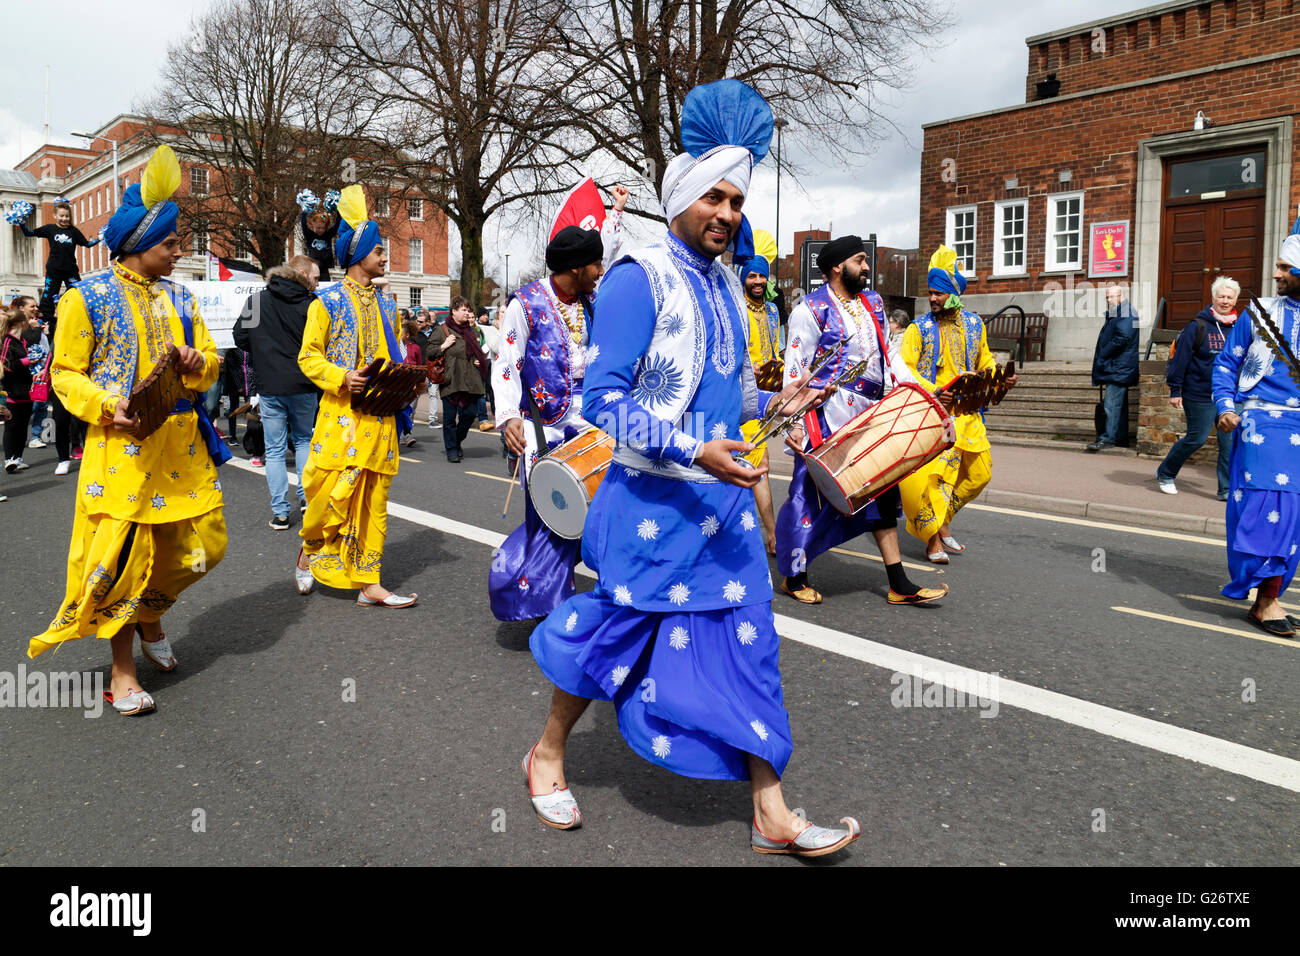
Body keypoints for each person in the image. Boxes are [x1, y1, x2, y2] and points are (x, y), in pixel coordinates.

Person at [524, 79, 861, 856]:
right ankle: (546, 754)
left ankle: (771, 812)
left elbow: (731, 389)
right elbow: (598, 400)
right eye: (714, 197)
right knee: (612, 638)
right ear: (680, 195)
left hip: (725, 509)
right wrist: (689, 446)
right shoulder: (639, 278)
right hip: (651, 506)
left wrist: (782, 392)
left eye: (737, 201)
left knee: (751, 646)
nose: (727, 215)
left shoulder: (721, 287)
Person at [27, 145, 228, 715]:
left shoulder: (183, 297)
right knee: (121, 561)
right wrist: (106, 404)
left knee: (205, 545)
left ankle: (150, 614)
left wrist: (197, 364)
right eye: (170, 242)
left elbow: (212, 363)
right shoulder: (83, 297)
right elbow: (64, 373)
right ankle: (121, 672)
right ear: (139, 244)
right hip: (121, 450)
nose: (178, 250)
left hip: (182, 450)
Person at [777, 236, 947, 604]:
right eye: (859, 260)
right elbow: (795, 373)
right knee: (809, 495)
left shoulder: (873, 303)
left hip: (872, 413)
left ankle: (899, 583)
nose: (867, 267)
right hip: (826, 413)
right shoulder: (810, 309)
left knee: (883, 489)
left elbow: (890, 358)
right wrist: (793, 423)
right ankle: (795, 575)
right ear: (838, 266)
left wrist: (919, 391)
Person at [294, 184, 418, 607]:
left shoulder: (388, 307)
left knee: (373, 501)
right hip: (340, 419)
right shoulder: (325, 302)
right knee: (330, 497)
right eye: (379, 251)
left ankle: (370, 582)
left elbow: (393, 359)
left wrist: (411, 380)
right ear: (357, 255)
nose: (386, 258)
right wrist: (343, 376)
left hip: (379, 419)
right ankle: (310, 549)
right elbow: (308, 358)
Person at [489, 225, 603, 622]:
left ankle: (567, 589)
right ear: (575, 268)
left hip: (588, 420)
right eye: (595, 263)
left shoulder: (592, 300)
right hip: (542, 425)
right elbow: (506, 363)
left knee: (592, 508)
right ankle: (543, 601)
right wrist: (508, 417)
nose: (600, 269)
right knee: (551, 513)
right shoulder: (526, 303)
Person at [898, 245, 1016, 563]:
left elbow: (985, 361)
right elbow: (904, 369)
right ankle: (932, 540)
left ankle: (943, 519)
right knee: (939, 480)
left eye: (938, 293)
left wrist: (998, 379)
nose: (932, 299)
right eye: (930, 293)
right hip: (936, 416)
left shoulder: (976, 325)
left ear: (953, 293)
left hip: (970, 416)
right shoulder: (917, 329)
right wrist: (934, 390)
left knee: (981, 475)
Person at [1210, 224, 1300, 637]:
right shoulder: (1259, 312)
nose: (1277, 274)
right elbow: (1227, 362)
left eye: (1286, 267)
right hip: (1263, 424)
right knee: (1269, 509)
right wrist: (1226, 406)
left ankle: (1273, 592)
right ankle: (1265, 601)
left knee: (1294, 516)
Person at [234, 254, 321, 529]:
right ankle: (307, 499)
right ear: (303, 275)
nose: (317, 283)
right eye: (315, 278)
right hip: (304, 382)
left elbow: (240, 337)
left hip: (270, 384)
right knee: (305, 440)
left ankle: (281, 512)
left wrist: (263, 352)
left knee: (273, 449)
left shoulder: (256, 301)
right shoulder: (311, 303)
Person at [1157, 276, 1240, 499]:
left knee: (1229, 443)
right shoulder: (1198, 326)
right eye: (1221, 296)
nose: (1225, 301)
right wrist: (1176, 390)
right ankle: (1165, 473)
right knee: (1197, 438)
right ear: (1213, 298)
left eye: (1229, 297)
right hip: (1200, 393)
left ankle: (1225, 489)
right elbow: (1180, 359)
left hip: (1230, 396)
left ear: (1235, 300)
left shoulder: (1240, 327)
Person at [738, 254, 781, 554]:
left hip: (766, 397)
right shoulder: (736, 308)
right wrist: (747, 367)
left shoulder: (774, 311)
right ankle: (771, 535)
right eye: (752, 276)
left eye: (761, 276)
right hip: (739, 394)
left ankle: (769, 534)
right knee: (756, 462)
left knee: (756, 464)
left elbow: (776, 346)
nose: (757, 282)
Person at [15, 199, 102, 321]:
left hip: (70, 269)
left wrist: (100, 238)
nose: (64, 218)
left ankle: (79, 316)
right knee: (48, 295)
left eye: (67, 216)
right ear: (55, 216)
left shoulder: (73, 231)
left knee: (78, 292)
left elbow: (87, 244)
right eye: (61, 216)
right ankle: (45, 321)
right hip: (54, 269)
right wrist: (22, 223)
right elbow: (29, 233)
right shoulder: (49, 229)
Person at [427, 296, 487, 463]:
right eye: (463, 310)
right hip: (451, 379)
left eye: (468, 310)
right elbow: (430, 353)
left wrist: (477, 359)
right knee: (449, 418)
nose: (467, 313)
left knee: (469, 414)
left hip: (470, 379)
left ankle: (457, 440)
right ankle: (452, 449)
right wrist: (444, 345)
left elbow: (477, 351)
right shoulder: (442, 330)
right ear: (453, 311)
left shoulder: (472, 331)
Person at [1087, 284, 1139, 452]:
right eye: (1107, 297)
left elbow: (1122, 338)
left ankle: (1108, 438)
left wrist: (1104, 352)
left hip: (1119, 366)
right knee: (1119, 405)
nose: (1109, 300)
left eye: (1111, 297)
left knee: (1111, 405)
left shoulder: (1127, 313)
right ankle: (1120, 438)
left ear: (1120, 296)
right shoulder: (1122, 312)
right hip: (1118, 365)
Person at [1, 308, 35, 472]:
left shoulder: (22, 341)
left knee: (22, 425)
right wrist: (27, 361)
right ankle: (9, 458)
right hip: (11, 390)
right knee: (12, 425)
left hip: (26, 389)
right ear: (23, 322)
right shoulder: (7, 341)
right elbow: (4, 366)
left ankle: (18, 457)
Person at [476, 305, 499, 432]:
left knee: (491, 387)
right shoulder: (477, 327)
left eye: (486, 315)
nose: (485, 317)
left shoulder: (492, 328)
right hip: (480, 360)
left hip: (490, 360)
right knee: (480, 389)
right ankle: (481, 416)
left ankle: (495, 412)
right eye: (483, 315)